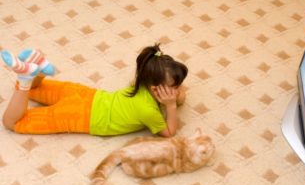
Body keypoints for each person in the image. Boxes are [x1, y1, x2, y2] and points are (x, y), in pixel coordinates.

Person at [1, 44, 188, 137]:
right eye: (175, 86)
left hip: (86, 95)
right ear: (156, 89)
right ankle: (25, 79)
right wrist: (171, 106)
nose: (180, 89)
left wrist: (175, 95)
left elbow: (181, 95)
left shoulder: (140, 80)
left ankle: (39, 70)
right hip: (80, 116)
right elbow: (169, 132)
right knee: (12, 122)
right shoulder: (148, 111)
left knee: (33, 91)